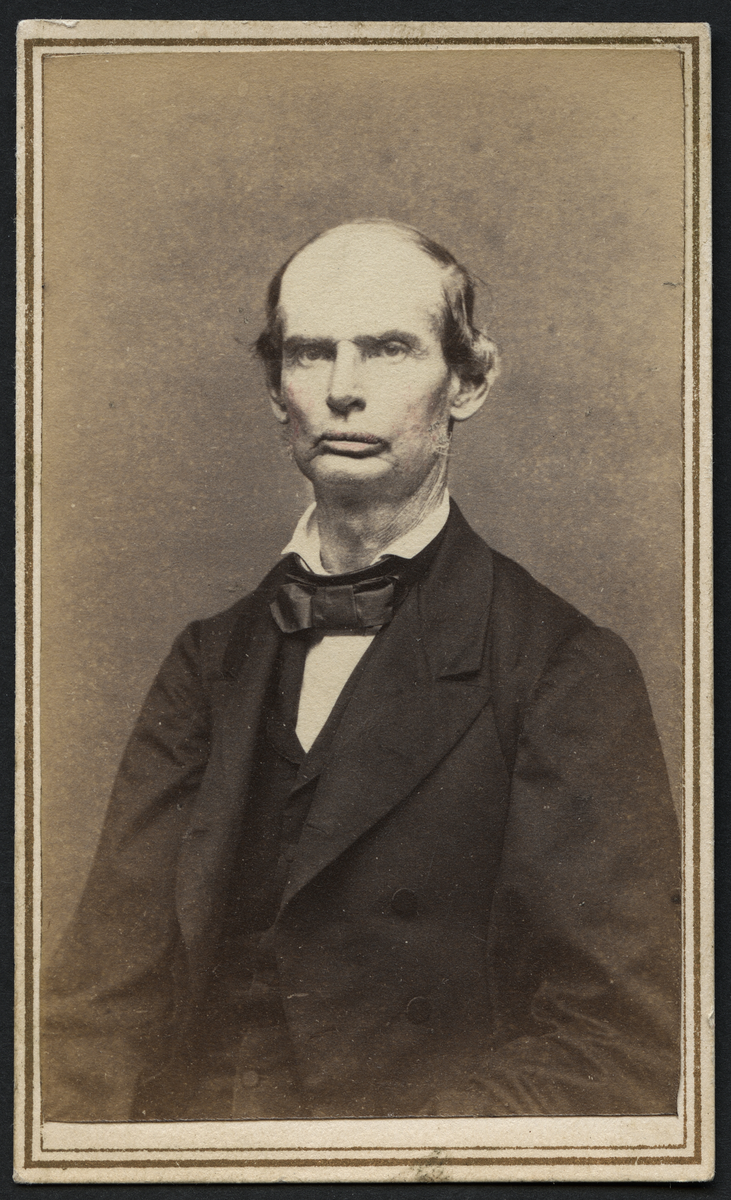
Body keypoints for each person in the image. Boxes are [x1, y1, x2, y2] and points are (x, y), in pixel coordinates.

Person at [42, 219, 681, 1123]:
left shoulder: (562, 670)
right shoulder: (208, 660)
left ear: (468, 381)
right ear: (276, 391)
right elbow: (96, 1011)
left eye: (387, 348)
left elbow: (617, 1047)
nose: (343, 390)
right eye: (310, 353)